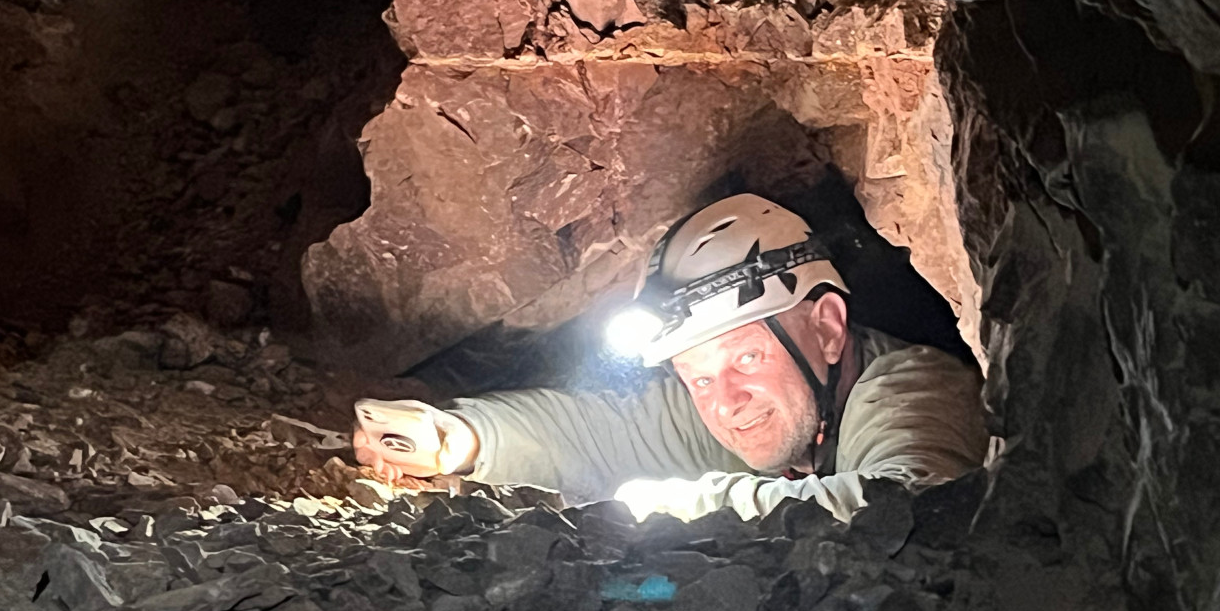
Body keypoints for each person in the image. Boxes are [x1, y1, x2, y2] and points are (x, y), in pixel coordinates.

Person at [351, 194, 990, 523]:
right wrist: (459, 436)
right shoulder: (759, 410)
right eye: (697, 376)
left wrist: (682, 505)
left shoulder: (911, 390)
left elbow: (914, 502)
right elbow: (601, 432)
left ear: (826, 328)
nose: (725, 402)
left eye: (746, 358)